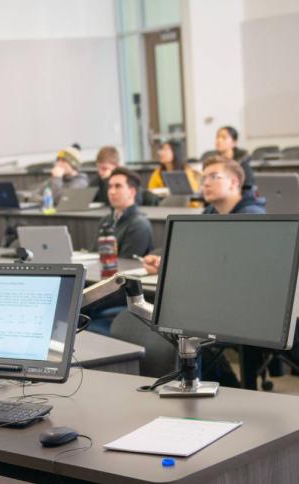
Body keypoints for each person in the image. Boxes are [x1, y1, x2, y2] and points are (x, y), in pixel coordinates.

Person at [141, 156, 264, 388]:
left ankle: (223, 386)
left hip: (246, 304)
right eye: (204, 177)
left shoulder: (253, 217)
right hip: (214, 299)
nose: (205, 183)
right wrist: (163, 261)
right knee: (173, 324)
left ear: (234, 183)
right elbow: (193, 251)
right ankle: (223, 384)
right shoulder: (211, 213)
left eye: (214, 177)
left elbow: (235, 270)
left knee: (181, 326)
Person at [95, 168, 154, 258]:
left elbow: (126, 263)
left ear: (132, 192)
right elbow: (93, 254)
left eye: (118, 186)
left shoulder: (139, 225)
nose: (112, 191)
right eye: (110, 187)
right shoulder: (105, 221)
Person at [207, 126, 255, 191]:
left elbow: (248, 187)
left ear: (234, 142)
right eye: (217, 137)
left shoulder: (242, 164)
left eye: (224, 137)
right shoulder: (213, 161)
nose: (219, 140)